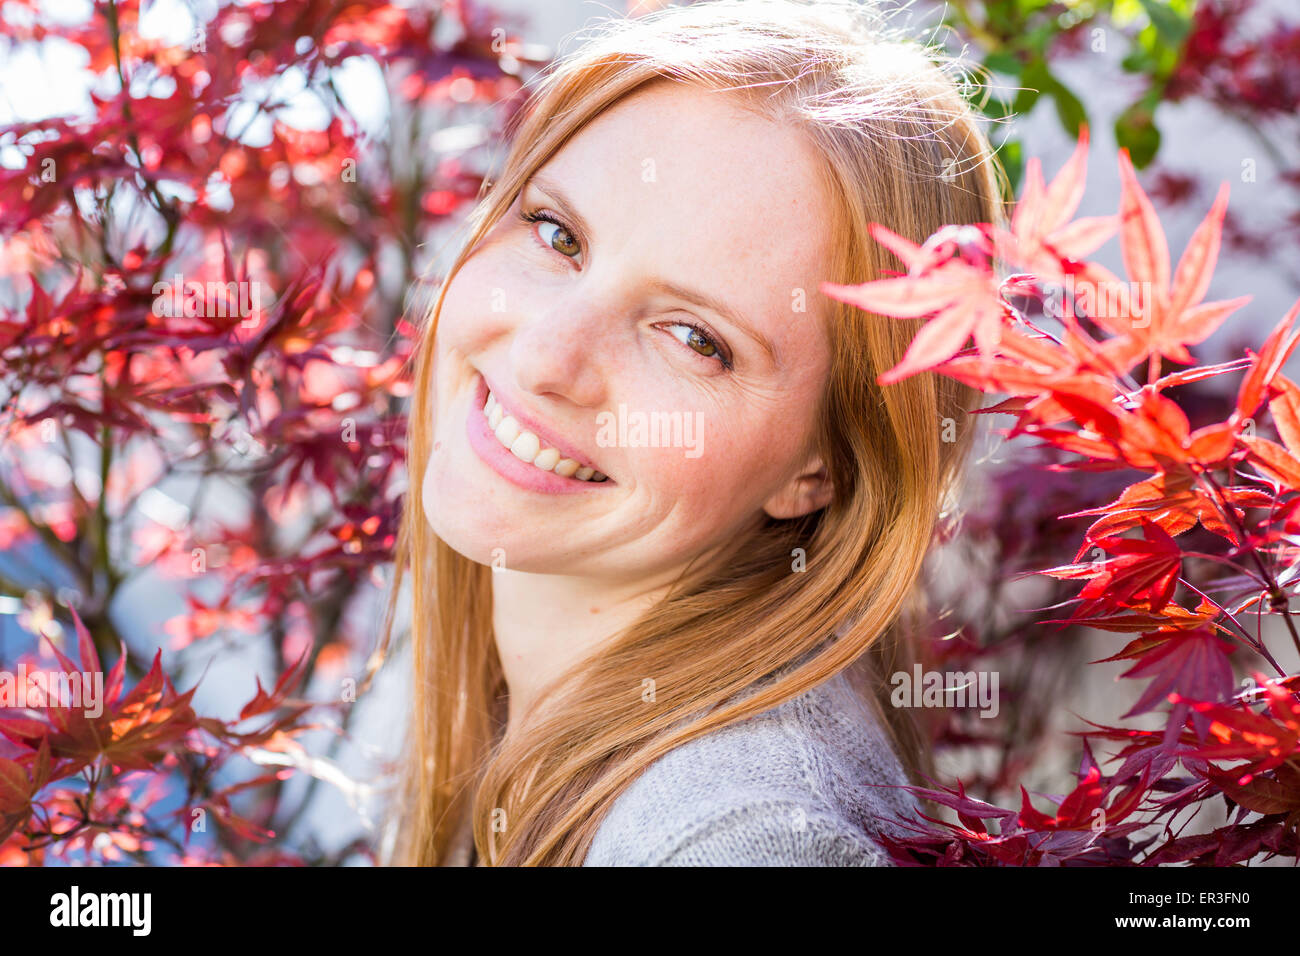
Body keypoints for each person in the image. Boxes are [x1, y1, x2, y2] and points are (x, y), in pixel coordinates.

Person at [378, 0, 1007, 866]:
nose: (546, 356)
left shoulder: (738, 837)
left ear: (823, 467)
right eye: (558, 233)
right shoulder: (514, 693)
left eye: (694, 338)